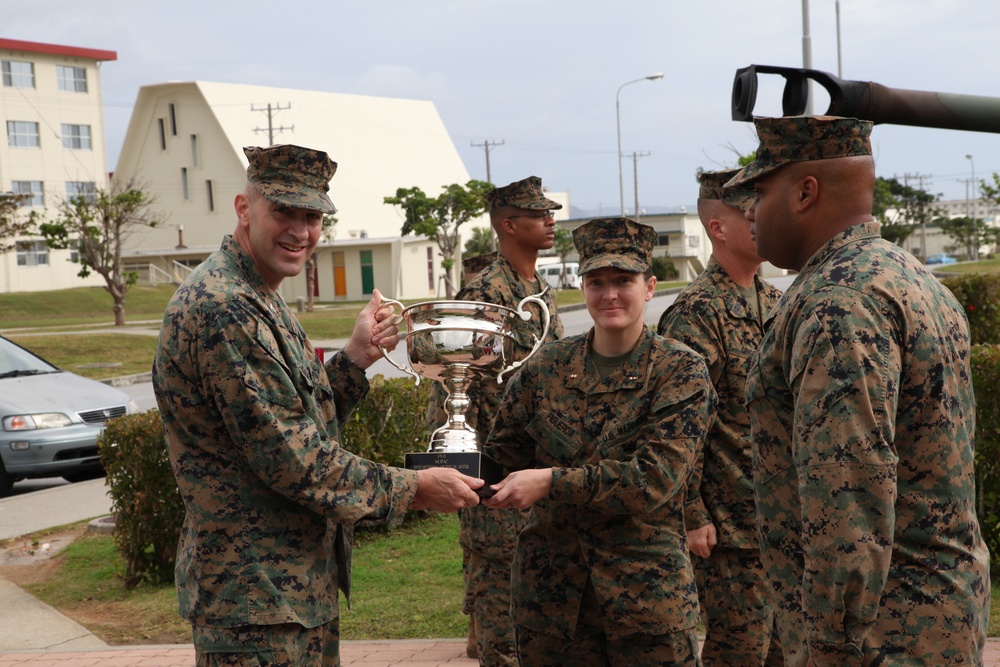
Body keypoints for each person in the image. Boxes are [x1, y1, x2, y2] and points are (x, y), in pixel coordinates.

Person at [152, 144, 483, 667]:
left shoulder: (258, 294)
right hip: (254, 602)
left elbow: (295, 418)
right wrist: (414, 488)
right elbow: (294, 459)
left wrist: (355, 359)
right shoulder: (225, 308)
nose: (300, 231)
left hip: (287, 593)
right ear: (244, 208)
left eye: (312, 216)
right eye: (283, 211)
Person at [727, 115, 991, 666]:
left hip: (877, 635)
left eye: (759, 191)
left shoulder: (838, 302)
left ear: (805, 191)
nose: (748, 210)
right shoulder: (911, 277)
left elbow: (847, 489)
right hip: (931, 614)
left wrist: (831, 641)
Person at [482, 217, 716, 666]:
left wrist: (551, 481)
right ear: (581, 287)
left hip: (646, 604)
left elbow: (653, 480)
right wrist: (446, 471)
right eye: (596, 282)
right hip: (551, 604)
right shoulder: (545, 367)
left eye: (623, 281)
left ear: (649, 287)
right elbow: (501, 457)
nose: (610, 294)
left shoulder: (680, 371)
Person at [429, 176, 565, 665]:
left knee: (538, 615)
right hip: (496, 478)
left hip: (539, 474)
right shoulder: (485, 294)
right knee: (501, 623)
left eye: (550, 212)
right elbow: (453, 392)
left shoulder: (538, 292)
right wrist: (474, 481)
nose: (551, 220)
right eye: (538, 214)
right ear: (509, 224)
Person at [656, 168, 784, 667]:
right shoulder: (695, 314)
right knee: (740, 654)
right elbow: (679, 428)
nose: (759, 219)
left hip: (781, 521)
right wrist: (692, 515)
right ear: (718, 228)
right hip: (729, 528)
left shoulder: (777, 303)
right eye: (746, 211)